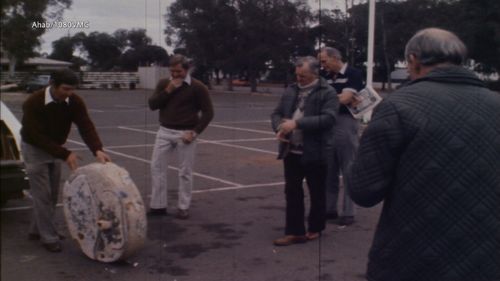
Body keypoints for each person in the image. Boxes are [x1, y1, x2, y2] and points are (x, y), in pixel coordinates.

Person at [346, 28, 500, 281]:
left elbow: (364, 192)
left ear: (414, 60)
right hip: (488, 256)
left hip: (414, 257)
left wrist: (365, 144)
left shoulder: (398, 105)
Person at [21, 69, 111, 253]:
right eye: (65, 89)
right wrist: (64, 154)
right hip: (34, 148)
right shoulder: (34, 102)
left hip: (55, 148)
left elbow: (85, 124)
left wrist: (97, 149)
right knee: (42, 194)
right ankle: (48, 237)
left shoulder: (74, 101)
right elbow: (34, 135)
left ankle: (37, 230)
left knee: (53, 193)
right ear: (53, 85)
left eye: (72, 89)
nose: (69, 93)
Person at [271, 56, 338, 246]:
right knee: (292, 191)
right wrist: (279, 128)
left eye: (303, 76)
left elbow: (329, 119)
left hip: (316, 151)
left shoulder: (328, 92)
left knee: (317, 192)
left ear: (315, 74)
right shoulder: (291, 90)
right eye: (297, 75)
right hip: (291, 150)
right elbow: (276, 113)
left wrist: (297, 123)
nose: (299, 79)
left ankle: (316, 227)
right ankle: (295, 232)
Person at [148, 54, 214, 220]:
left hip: (185, 133)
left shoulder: (198, 87)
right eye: (172, 71)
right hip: (164, 131)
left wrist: (194, 132)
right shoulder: (164, 83)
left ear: (187, 69)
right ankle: (158, 206)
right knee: (157, 168)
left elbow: (208, 112)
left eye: (178, 71)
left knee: (185, 172)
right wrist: (168, 90)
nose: (175, 75)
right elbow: (152, 104)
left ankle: (183, 207)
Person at [318, 47, 363, 226]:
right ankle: (330, 209)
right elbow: (318, 97)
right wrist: (338, 97)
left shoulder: (353, 73)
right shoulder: (325, 77)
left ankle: (349, 212)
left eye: (323, 61)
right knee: (329, 170)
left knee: (348, 168)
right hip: (327, 123)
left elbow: (345, 99)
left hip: (345, 122)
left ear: (335, 58)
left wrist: (328, 99)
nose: (322, 65)